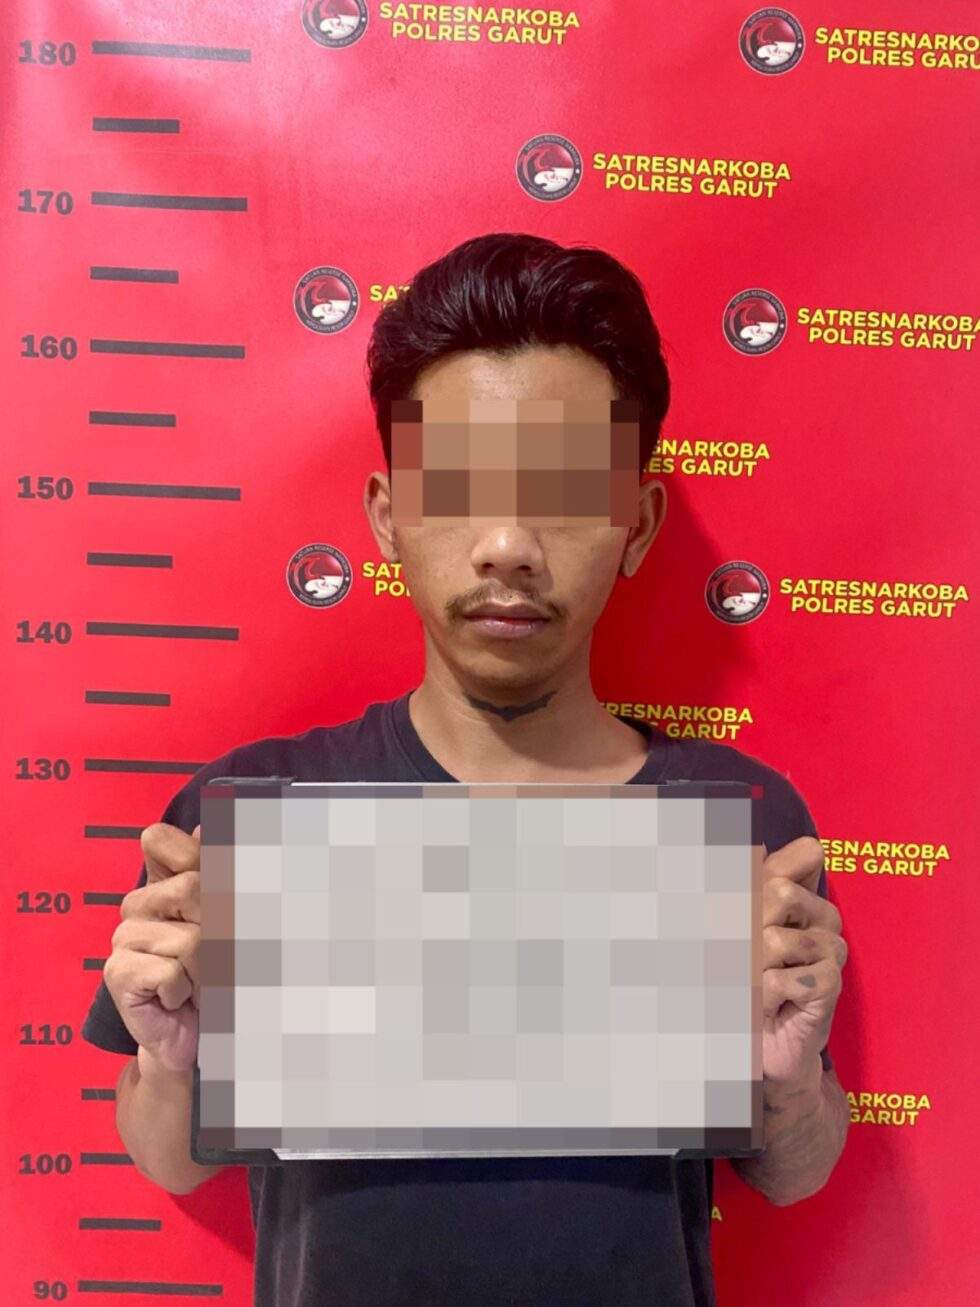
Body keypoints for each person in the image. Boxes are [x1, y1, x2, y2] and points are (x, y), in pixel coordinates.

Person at [81, 231, 849, 1306]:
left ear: (637, 524)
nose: (506, 544)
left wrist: (790, 1079)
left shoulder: (741, 819)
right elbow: (168, 1161)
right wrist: (172, 1056)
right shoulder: (246, 816)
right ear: (387, 516)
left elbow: (793, 1169)